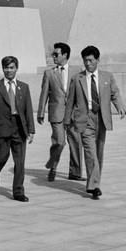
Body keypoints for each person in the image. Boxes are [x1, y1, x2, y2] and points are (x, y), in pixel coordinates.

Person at [63, 46, 126, 200]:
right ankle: (94, 186)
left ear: (98, 60)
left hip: (102, 118)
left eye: (91, 60)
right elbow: (70, 101)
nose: (88, 63)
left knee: (98, 153)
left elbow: (114, 93)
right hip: (85, 120)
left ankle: (93, 181)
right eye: (85, 60)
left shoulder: (107, 77)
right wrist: (66, 120)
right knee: (90, 153)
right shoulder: (77, 79)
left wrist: (120, 107)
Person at [0, 56, 35, 202]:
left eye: (12, 67)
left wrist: (31, 130)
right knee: (1, 158)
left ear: (16, 68)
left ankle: (18, 191)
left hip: (19, 128)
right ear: (3, 69)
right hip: (1, 128)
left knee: (19, 162)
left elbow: (28, 109)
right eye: (6, 67)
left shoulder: (24, 87)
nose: (9, 70)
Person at [37, 43, 83, 182]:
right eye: (53, 54)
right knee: (60, 142)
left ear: (65, 55)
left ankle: (75, 172)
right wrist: (40, 112)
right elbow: (44, 93)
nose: (54, 57)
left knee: (76, 142)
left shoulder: (77, 71)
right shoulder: (49, 73)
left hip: (73, 113)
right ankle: (53, 167)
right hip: (56, 113)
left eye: (56, 54)